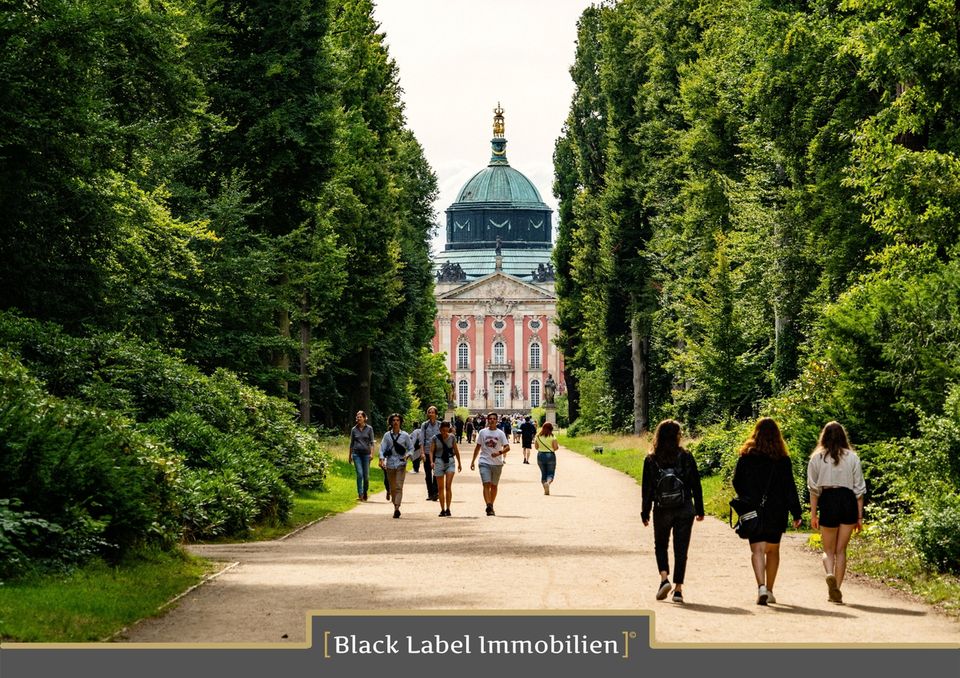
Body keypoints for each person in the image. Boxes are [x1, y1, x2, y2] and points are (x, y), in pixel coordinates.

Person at [732, 417, 802, 605]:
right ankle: (770, 590)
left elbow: (736, 482)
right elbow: (790, 487)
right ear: (777, 436)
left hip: (753, 510)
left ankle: (760, 586)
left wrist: (747, 497)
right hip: (776, 510)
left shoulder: (746, 457)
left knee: (757, 549)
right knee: (772, 550)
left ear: (756, 433)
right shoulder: (782, 460)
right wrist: (796, 513)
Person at [640, 420, 705, 604]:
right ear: (677, 436)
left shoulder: (651, 459)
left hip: (662, 509)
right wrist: (699, 509)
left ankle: (663, 579)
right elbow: (696, 484)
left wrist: (645, 512)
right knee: (681, 549)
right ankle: (678, 589)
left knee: (661, 545)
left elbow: (647, 489)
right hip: (684, 507)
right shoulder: (686, 456)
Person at [807, 421, 866, 604]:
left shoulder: (816, 458)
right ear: (843, 436)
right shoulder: (852, 457)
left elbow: (813, 489)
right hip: (848, 500)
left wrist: (814, 514)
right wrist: (859, 517)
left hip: (828, 500)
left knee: (828, 549)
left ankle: (829, 574)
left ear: (823, 436)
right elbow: (859, 490)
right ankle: (837, 589)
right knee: (841, 550)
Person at [471, 412, 510, 515]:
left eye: (494, 419)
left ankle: (491, 505)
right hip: (484, 461)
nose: (492, 420)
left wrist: (499, 452)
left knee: (494, 486)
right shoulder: (482, 432)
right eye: (490, 418)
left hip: (497, 463)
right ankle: (488, 505)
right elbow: (477, 447)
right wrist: (473, 461)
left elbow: (507, 447)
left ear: (497, 421)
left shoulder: (500, 433)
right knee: (486, 484)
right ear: (487, 420)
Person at [379, 413, 413, 518]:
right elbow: (382, 448)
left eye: (398, 420)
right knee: (392, 487)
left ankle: (397, 507)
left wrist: (407, 455)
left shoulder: (405, 435)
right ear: (391, 422)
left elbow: (411, 448)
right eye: (393, 420)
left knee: (399, 486)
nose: (395, 422)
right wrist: (381, 459)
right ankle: (395, 504)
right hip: (390, 464)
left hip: (401, 463)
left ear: (400, 422)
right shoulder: (387, 436)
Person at [430, 419, 462, 517]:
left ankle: (448, 508)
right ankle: (442, 509)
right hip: (439, 461)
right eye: (443, 430)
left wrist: (460, 463)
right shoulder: (435, 438)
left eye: (446, 430)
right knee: (440, 488)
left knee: (448, 486)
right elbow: (431, 451)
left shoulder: (452, 437)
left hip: (450, 461)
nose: (444, 432)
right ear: (440, 430)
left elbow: (456, 450)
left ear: (449, 429)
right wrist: (432, 462)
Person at [349, 410, 375, 502]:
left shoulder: (369, 429)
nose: (359, 418)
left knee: (366, 476)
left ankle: (365, 492)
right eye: (357, 417)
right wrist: (350, 456)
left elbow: (372, 443)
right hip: (356, 454)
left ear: (364, 418)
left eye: (360, 417)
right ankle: (360, 494)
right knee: (359, 474)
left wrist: (372, 453)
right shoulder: (353, 429)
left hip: (366, 455)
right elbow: (351, 443)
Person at [419, 406, 441, 501]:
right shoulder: (424, 425)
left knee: (436, 472)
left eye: (433, 412)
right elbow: (421, 440)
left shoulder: (440, 424)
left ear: (436, 414)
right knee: (428, 474)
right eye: (429, 412)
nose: (431, 414)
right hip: (427, 452)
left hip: (437, 452)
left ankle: (435, 492)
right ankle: (430, 493)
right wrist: (422, 453)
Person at [534, 421, 560, 494]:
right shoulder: (552, 437)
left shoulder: (538, 436)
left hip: (540, 455)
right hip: (550, 455)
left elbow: (536, 447)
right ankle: (548, 483)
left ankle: (545, 487)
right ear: (551, 429)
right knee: (550, 473)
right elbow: (555, 447)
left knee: (543, 473)